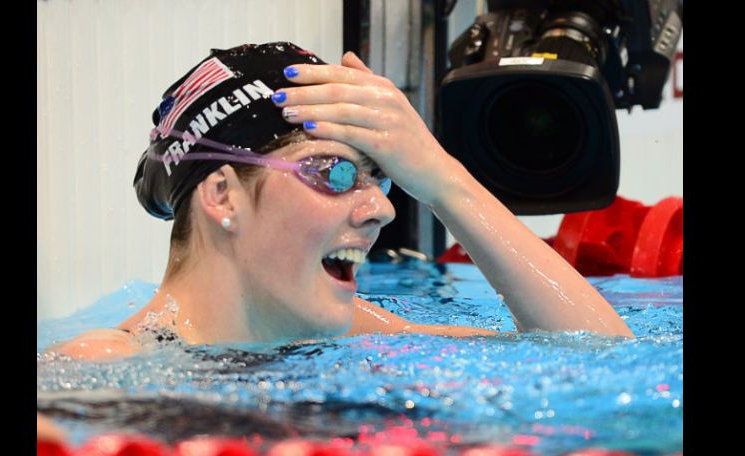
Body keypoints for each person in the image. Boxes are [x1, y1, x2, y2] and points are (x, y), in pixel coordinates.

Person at [49, 42, 633, 361]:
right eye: (334, 172)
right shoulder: (105, 364)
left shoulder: (341, 329)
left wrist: (442, 179)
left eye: (382, 178)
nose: (381, 208)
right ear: (223, 195)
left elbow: (594, 356)